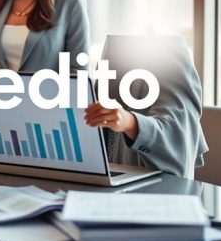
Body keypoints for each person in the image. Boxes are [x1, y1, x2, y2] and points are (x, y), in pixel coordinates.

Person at [83, 35, 208, 177]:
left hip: (155, 191)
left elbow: (176, 136)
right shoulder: (115, 48)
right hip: (113, 184)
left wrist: (130, 122)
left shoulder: (167, 49)